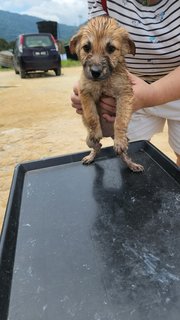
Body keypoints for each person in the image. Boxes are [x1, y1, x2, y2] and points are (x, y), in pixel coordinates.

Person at [71, 0, 180, 166]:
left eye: (111, 49)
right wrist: (92, 98)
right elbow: (98, 31)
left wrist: (152, 94)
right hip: (133, 90)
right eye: (87, 48)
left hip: (175, 90)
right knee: (131, 153)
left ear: (128, 47)